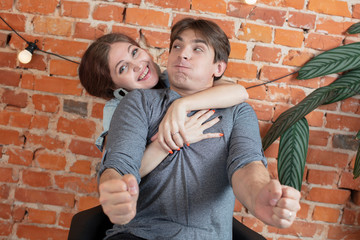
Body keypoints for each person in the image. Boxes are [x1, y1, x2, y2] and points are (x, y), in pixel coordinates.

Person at [98, 18, 301, 240]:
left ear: (218, 67)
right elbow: (119, 163)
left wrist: (258, 193)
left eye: (197, 48)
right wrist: (112, 186)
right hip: (140, 234)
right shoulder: (138, 101)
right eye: (177, 46)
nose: (183, 54)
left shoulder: (238, 112)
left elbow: (246, 165)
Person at [78, 32, 249, 176]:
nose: (138, 65)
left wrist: (181, 105)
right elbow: (121, 173)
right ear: (113, 87)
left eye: (135, 53)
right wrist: (169, 140)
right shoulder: (117, 108)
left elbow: (239, 92)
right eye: (123, 68)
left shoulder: (171, 77)